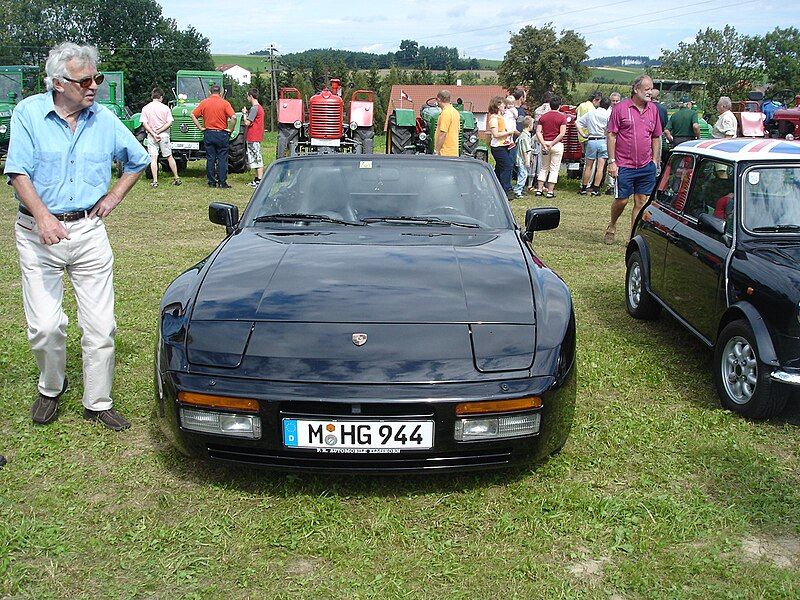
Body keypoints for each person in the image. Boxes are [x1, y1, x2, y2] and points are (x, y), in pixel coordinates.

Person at [4, 42, 150, 430]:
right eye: (84, 80)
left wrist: (115, 195)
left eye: (96, 79)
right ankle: (51, 387)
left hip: (88, 232)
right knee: (46, 326)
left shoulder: (104, 119)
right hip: (37, 233)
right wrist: (44, 218)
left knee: (101, 325)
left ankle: (98, 401)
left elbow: (138, 159)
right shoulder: (28, 113)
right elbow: (18, 172)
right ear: (57, 83)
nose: (94, 87)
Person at [604, 75, 662, 244]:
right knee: (622, 200)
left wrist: (655, 161)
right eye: (647, 89)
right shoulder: (620, 108)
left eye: (651, 89)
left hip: (646, 165)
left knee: (641, 201)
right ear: (636, 89)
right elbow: (612, 135)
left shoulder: (654, 110)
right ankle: (612, 225)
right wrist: (612, 161)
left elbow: (656, 137)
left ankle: (632, 237)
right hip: (624, 165)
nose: (650, 92)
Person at [191, 83, 235, 188]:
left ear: (210, 92)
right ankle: (222, 182)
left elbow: (193, 115)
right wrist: (230, 129)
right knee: (222, 159)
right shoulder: (225, 103)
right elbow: (233, 117)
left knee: (210, 158)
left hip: (209, 133)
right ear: (220, 92)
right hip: (221, 133)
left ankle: (211, 181)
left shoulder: (204, 103)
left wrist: (200, 127)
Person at [140, 87, 181, 188]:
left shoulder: (146, 108)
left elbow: (144, 123)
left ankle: (155, 181)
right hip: (163, 135)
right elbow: (169, 122)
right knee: (169, 156)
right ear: (161, 97)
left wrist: (153, 133)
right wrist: (159, 131)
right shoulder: (165, 108)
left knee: (153, 158)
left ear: (152, 96)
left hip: (151, 136)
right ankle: (176, 178)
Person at [577, 96, 611, 196]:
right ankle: (595, 189)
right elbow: (609, 129)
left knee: (588, 166)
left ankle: (584, 187)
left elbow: (578, 122)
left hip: (592, 139)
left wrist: (583, 134)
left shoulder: (591, 113)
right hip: (603, 140)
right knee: (600, 167)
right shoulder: (608, 115)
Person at [534, 97, 567, 198]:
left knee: (544, 167)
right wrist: (552, 143)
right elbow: (562, 134)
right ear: (559, 106)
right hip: (556, 144)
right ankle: (550, 191)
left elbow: (538, 132)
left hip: (545, 143)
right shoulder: (562, 117)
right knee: (554, 168)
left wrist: (543, 143)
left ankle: (539, 189)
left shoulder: (543, 117)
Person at [487, 95, 515, 198]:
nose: (505, 106)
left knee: (499, 168)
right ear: (498, 105)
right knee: (507, 165)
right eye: (503, 104)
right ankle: (506, 189)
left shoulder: (500, 117)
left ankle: (494, 187)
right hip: (497, 147)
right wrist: (509, 133)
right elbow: (495, 134)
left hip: (503, 145)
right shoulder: (494, 118)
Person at [242, 87, 265, 187]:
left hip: (253, 136)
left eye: (248, 96)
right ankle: (256, 179)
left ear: (251, 96)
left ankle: (259, 180)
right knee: (255, 157)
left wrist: (244, 114)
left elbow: (247, 122)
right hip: (257, 135)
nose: (247, 98)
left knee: (256, 157)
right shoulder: (259, 107)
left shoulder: (255, 108)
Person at [434, 89, 460, 157]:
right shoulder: (455, 112)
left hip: (444, 153)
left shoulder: (446, 113)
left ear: (439, 99)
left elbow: (443, 133)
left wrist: (436, 151)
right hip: (453, 152)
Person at [605, 92, 623, 195]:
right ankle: (610, 185)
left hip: (620, 140)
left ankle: (617, 183)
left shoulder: (621, 111)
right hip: (610, 139)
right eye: (613, 101)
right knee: (611, 161)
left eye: (617, 101)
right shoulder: (607, 113)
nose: (615, 103)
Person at [512, 116, 534, 198]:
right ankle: (518, 190)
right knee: (523, 175)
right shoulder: (524, 137)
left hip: (520, 159)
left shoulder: (523, 135)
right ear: (529, 126)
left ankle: (519, 189)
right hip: (522, 160)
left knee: (521, 174)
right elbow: (526, 150)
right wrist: (527, 160)